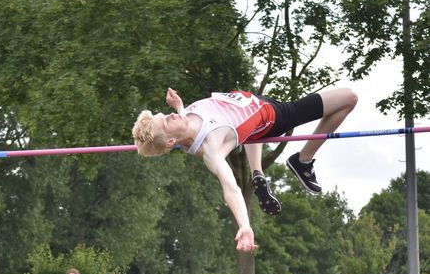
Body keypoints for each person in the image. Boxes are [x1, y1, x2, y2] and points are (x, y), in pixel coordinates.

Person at [132, 87, 358, 252]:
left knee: (250, 132)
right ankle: (303, 159)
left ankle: (257, 171)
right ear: (171, 141)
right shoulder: (212, 147)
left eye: (166, 113)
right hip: (272, 115)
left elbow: (181, 132)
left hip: (249, 102)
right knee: (348, 98)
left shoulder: (181, 122)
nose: (171, 115)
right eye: (167, 120)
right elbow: (231, 188)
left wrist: (179, 107)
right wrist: (245, 226)